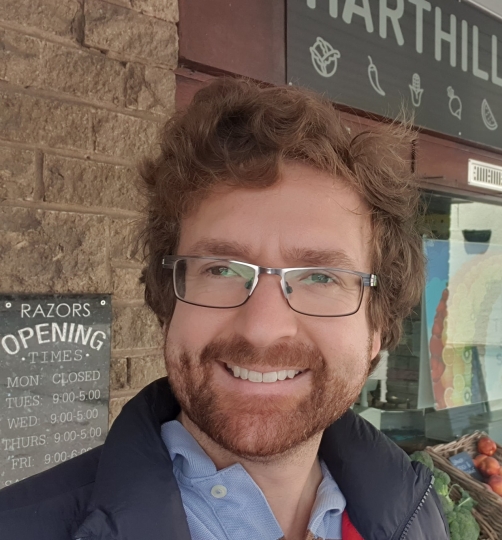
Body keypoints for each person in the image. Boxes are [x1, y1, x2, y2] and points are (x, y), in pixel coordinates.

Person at [0, 78, 448, 540]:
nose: (264, 328)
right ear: (168, 301)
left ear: (376, 328)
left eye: (320, 277)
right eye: (221, 270)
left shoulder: (416, 514)